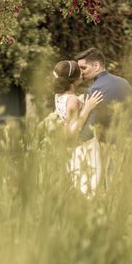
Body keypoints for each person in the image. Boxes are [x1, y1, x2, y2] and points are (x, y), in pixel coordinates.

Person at [52, 60, 104, 195]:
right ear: (74, 80)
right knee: (90, 189)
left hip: (74, 150)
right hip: (84, 148)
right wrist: (87, 108)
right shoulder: (72, 100)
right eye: (79, 71)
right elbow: (71, 131)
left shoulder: (59, 96)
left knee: (83, 188)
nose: (82, 73)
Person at [75, 48, 132, 144]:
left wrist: (75, 139)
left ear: (96, 66)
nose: (81, 72)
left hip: (112, 149)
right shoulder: (124, 82)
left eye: (83, 68)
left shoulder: (93, 91)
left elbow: (90, 130)